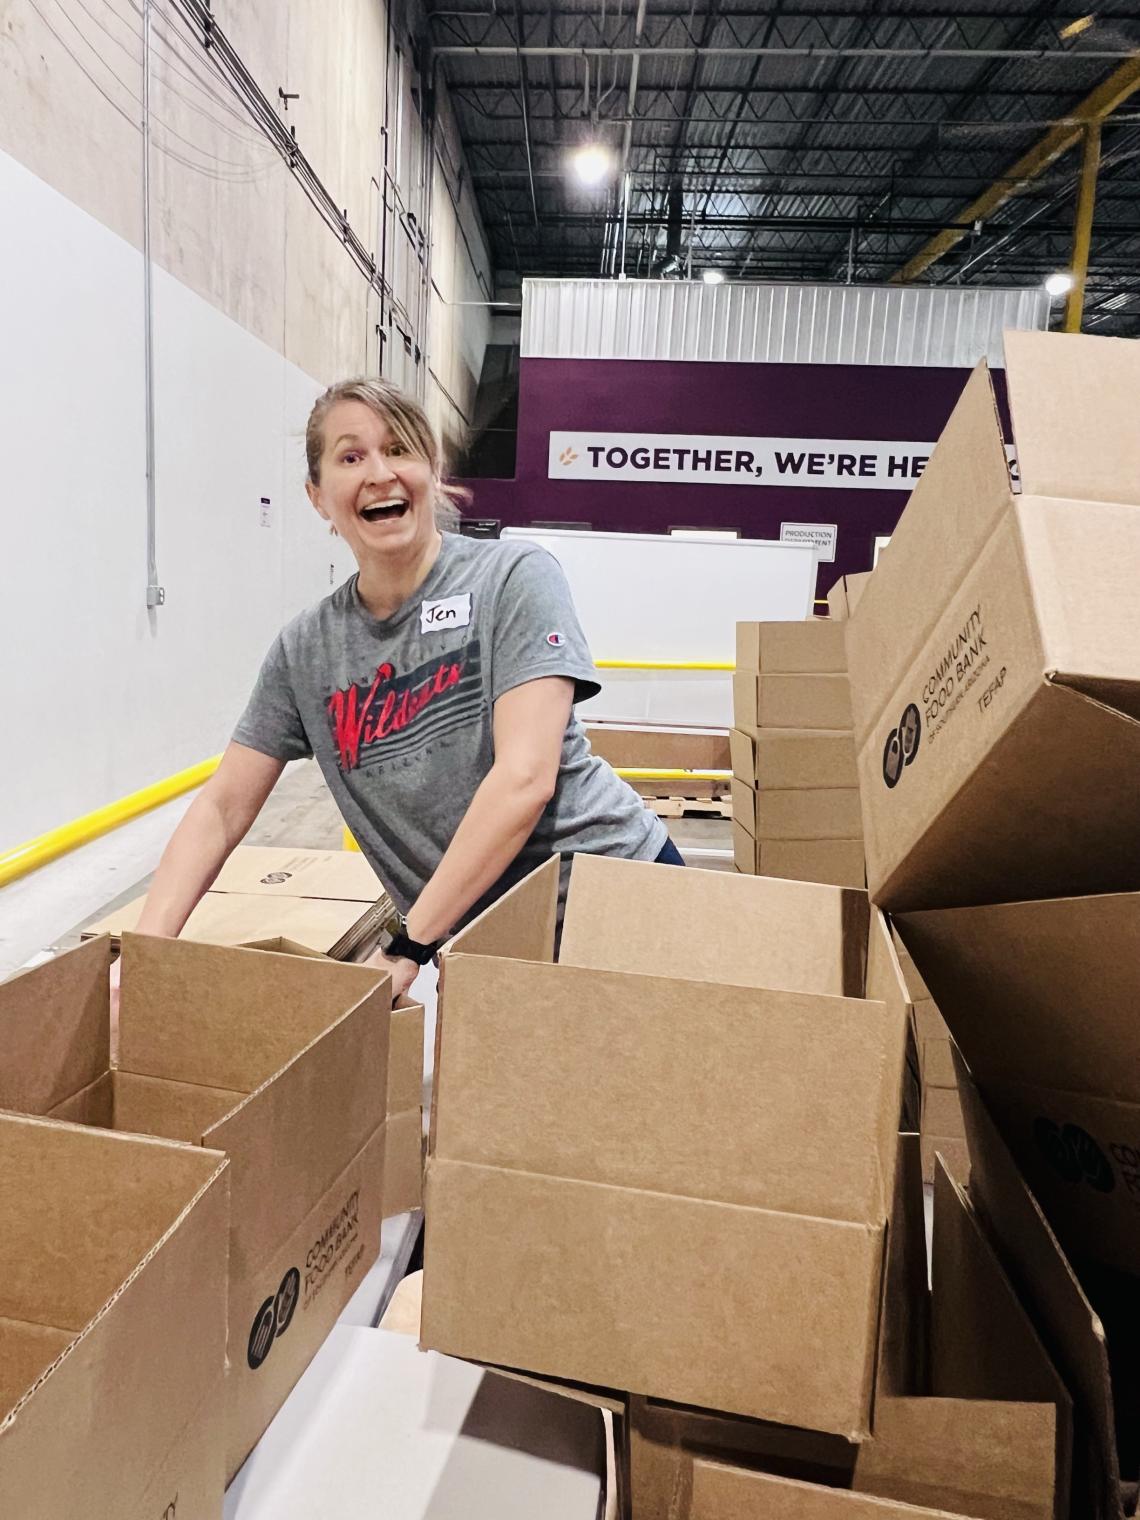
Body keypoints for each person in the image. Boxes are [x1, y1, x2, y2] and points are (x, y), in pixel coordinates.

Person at [121, 378, 682, 1004]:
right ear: (316, 495)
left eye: (399, 449)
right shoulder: (305, 651)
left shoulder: (513, 579)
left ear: (432, 472)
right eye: (351, 456)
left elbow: (525, 778)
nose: (380, 474)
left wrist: (411, 944)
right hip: (485, 941)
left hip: (618, 898)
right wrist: (145, 954)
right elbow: (222, 809)